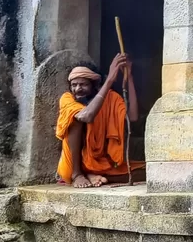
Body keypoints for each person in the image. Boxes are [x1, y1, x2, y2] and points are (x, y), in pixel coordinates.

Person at [55, 54, 144, 187]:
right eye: (74, 85)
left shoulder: (110, 97)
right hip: (73, 166)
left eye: (83, 84)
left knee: (146, 172)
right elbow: (86, 116)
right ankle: (78, 175)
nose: (77, 89)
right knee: (75, 119)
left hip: (100, 163)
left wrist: (129, 77)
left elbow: (133, 117)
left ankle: (92, 175)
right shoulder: (67, 98)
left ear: (95, 85)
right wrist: (110, 79)